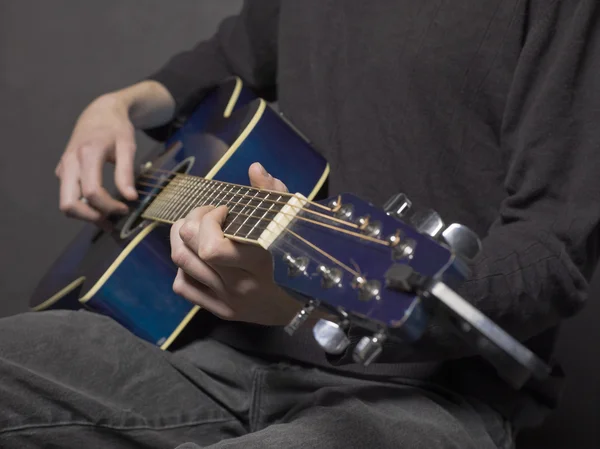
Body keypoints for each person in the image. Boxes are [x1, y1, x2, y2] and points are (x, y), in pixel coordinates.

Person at [2, 1, 599, 448]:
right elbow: (228, 56)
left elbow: (553, 251)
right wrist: (118, 105)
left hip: (425, 394)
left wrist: (301, 306)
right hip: (211, 354)